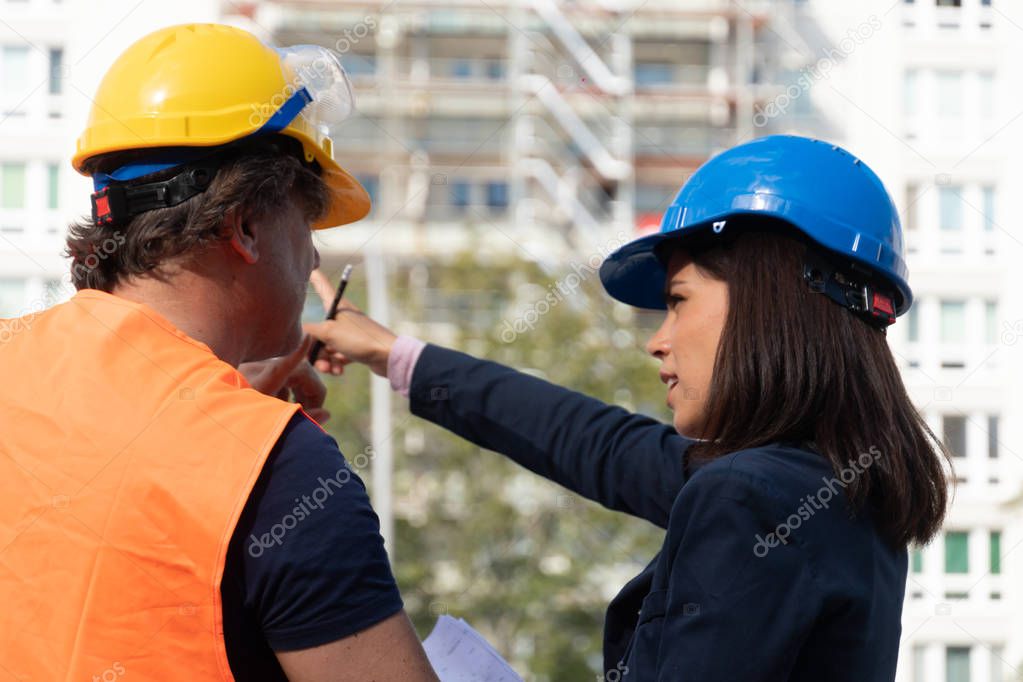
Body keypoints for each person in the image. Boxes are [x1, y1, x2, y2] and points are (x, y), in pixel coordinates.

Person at [305, 135, 951, 681]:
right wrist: (393, 354)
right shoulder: (837, 488)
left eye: (676, 300)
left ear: (767, 300)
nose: (656, 340)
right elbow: (593, 441)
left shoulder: (744, 498)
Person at [0, 24, 437, 682]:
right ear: (248, 225)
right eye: (307, 221)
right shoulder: (279, 468)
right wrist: (244, 442)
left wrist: (221, 414)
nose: (315, 255)